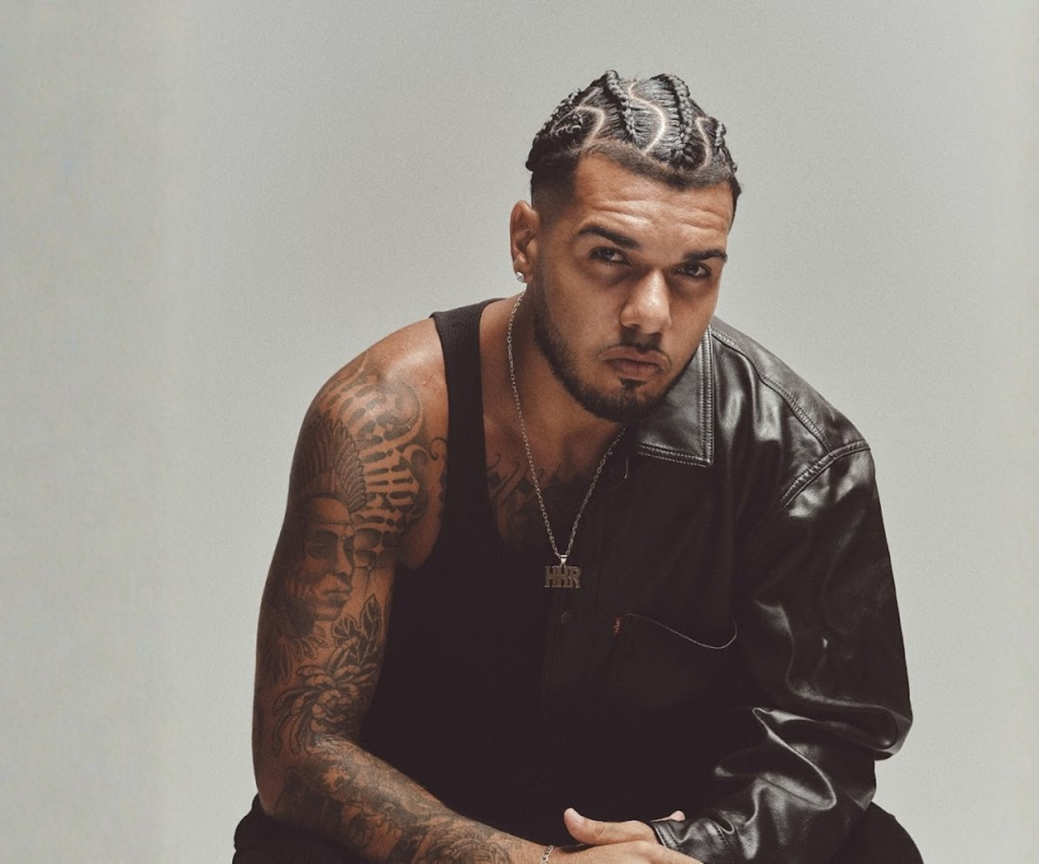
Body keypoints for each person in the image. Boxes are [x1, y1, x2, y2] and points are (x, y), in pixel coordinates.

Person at [232, 70, 917, 863]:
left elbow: (829, 735)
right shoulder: (383, 423)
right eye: (610, 257)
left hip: (664, 832)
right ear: (527, 241)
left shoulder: (794, 456)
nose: (649, 314)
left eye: (694, 271)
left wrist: (692, 852)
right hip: (427, 840)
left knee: (875, 852)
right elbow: (300, 753)